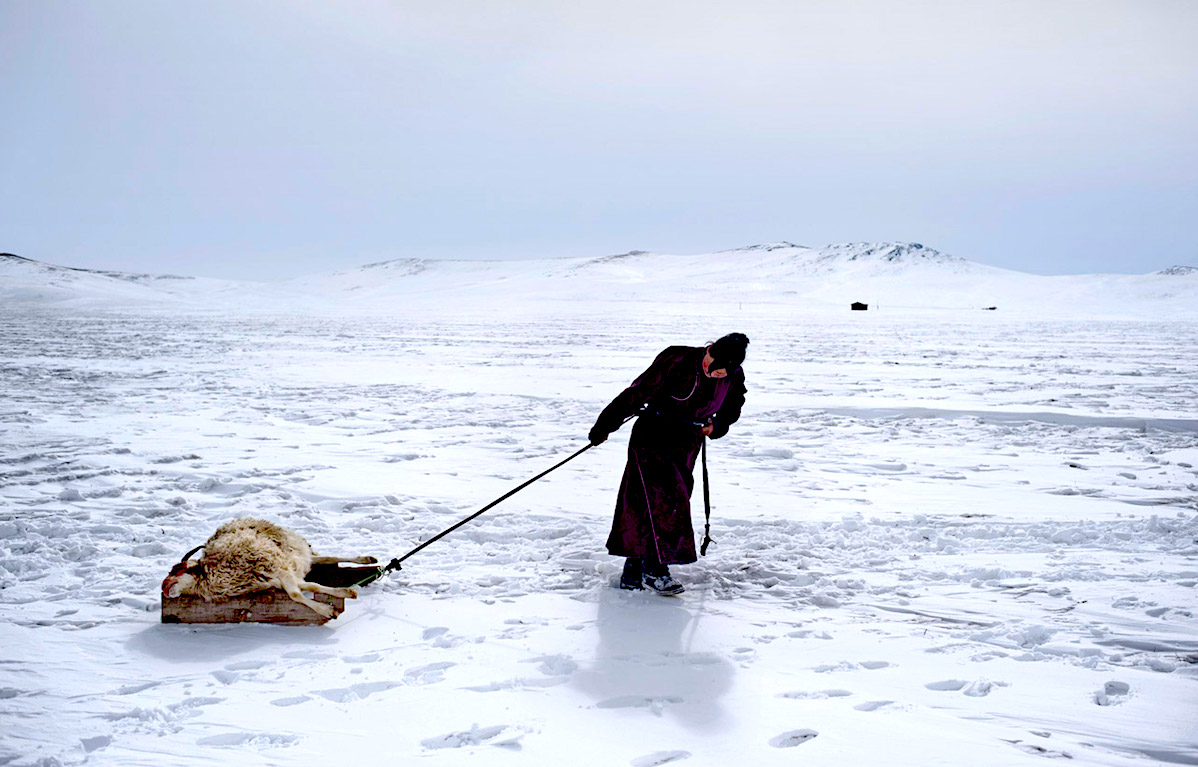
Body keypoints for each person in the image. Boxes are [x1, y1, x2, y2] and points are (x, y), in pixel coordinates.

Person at [588, 333, 749, 594]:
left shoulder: (733, 373)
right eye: (715, 370)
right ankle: (655, 569)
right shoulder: (678, 358)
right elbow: (638, 392)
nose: (718, 376)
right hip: (652, 436)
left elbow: (734, 403)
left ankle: (634, 568)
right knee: (666, 502)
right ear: (709, 353)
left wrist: (717, 425)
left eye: (724, 375)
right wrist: (606, 424)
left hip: (687, 443)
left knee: (650, 503)